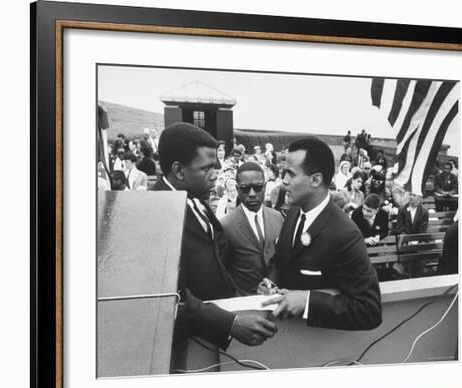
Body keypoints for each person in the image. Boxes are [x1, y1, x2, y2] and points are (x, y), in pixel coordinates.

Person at [152, 122, 277, 350]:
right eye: (206, 168)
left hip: (214, 331)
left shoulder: (197, 200)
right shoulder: (156, 214)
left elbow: (219, 257)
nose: (214, 177)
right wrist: (230, 323)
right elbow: (169, 295)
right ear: (179, 170)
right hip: (186, 342)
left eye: (215, 167)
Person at [260, 137, 382, 330]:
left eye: (291, 174)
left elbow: (369, 310)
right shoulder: (293, 211)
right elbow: (280, 259)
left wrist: (307, 301)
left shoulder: (345, 235)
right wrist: (271, 281)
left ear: (316, 179)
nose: (284, 181)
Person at [221, 162, 284, 295]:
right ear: (237, 189)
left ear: (265, 187)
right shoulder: (226, 225)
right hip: (244, 301)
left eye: (257, 187)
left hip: (276, 298)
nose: (252, 193)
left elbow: (281, 257)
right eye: (245, 188)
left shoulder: (277, 217)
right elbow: (223, 270)